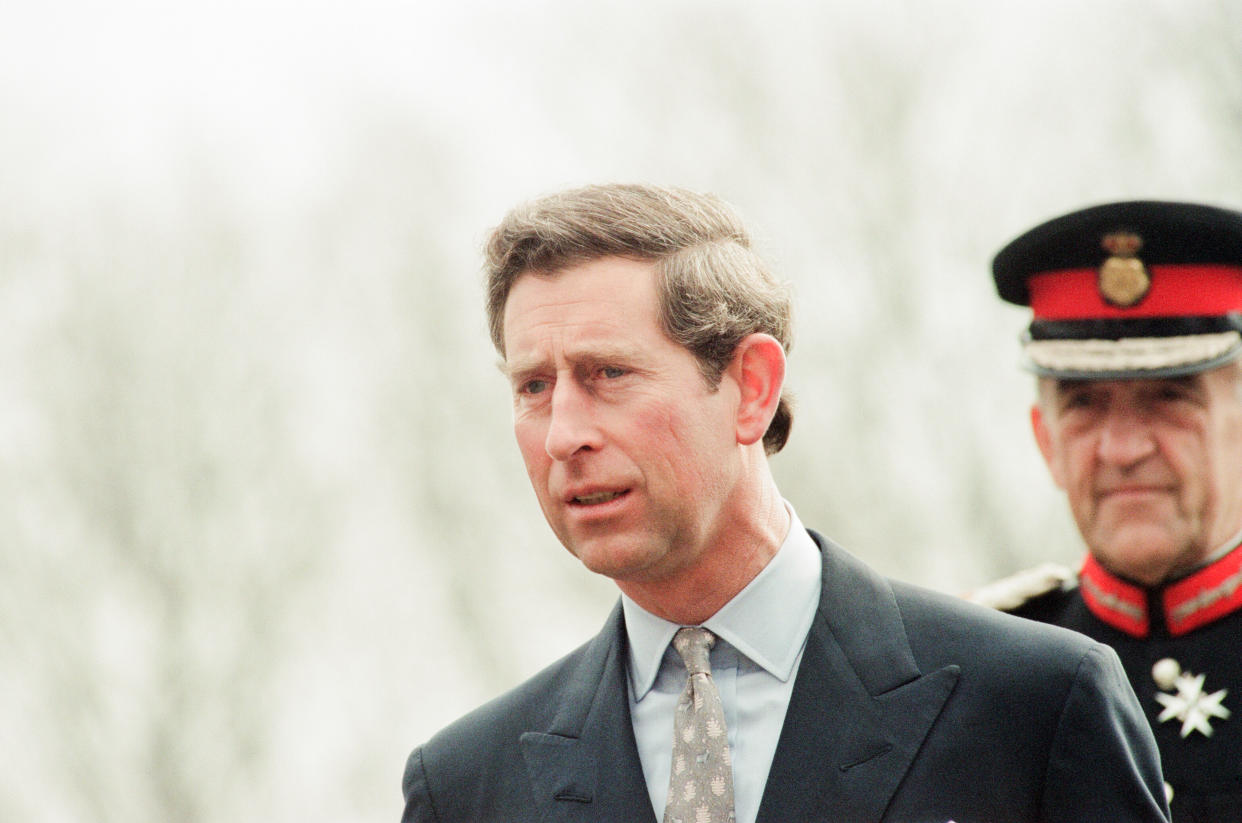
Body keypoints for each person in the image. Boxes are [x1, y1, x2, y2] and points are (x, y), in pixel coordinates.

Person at [402, 184, 1169, 823]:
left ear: (752, 388)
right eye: (533, 386)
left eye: (607, 373)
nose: (564, 432)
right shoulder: (467, 787)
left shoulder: (1033, 709)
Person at [972, 199, 1242, 821]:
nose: (1123, 449)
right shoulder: (981, 678)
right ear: (1047, 442)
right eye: (1085, 405)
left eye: (1169, 398)